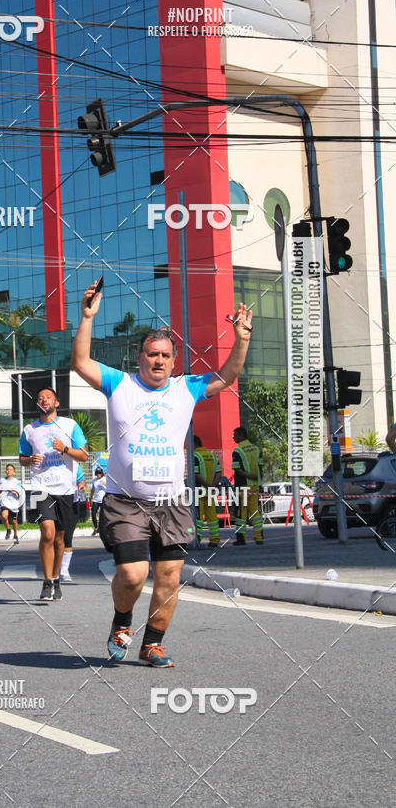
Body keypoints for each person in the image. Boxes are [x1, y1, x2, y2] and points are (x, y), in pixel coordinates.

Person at [71, 280, 252, 666]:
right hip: (125, 502)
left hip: (171, 502)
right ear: (140, 357)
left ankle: (152, 642)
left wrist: (242, 340)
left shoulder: (187, 388)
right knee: (134, 575)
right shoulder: (119, 384)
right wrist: (87, 317)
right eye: (152, 354)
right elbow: (81, 363)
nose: (159, 361)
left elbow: (228, 375)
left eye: (166, 356)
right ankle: (122, 621)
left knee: (169, 576)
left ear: (174, 360)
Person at [19, 387, 87, 601]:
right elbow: (22, 457)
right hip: (41, 487)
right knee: (47, 532)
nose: (44, 400)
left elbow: (84, 455)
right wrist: (30, 461)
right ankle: (47, 581)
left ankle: (56, 578)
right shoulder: (30, 429)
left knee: (60, 538)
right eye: (40, 398)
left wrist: (65, 449)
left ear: (56, 403)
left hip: (65, 489)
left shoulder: (70, 425)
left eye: (48, 397)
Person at [232, 427, 264, 546]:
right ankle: (259, 537)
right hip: (255, 486)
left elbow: (237, 469)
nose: (233, 437)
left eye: (235, 435)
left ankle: (241, 539)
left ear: (241, 436)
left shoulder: (238, 451)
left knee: (241, 513)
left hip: (243, 486)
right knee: (255, 512)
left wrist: (249, 476)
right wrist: (259, 482)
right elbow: (260, 468)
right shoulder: (256, 449)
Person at [193, 436, 222, 548]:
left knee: (198, 517)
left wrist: (205, 484)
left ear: (194, 444)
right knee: (212, 517)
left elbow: (195, 474)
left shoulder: (195, 456)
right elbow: (219, 472)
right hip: (210, 492)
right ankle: (214, 540)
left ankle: (198, 539)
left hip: (199, 492)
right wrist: (213, 485)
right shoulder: (213, 456)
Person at [60, 466, 86, 583]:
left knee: (67, 538)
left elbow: (81, 479)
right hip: (56, 503)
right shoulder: (52, 462)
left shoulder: (75, 465)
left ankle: (64, 571)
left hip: (72, 504)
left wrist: (82, 485)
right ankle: (53, 569)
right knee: (55, 538)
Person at [0, 463, 23, 545]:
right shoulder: (2, 480)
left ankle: (15, 535)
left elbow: (19, 493)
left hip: (14, 503)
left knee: (14, 521)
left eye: (10, 470)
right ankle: (8, 529)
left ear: (13, 472)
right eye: (7, 469)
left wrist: (12, 489)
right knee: (4, 516)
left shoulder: (17, 482)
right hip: (5, 502)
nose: (9, 471)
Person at [90, 466, 106, 535]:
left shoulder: (105, 479)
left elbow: (109, 488)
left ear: (102, 473)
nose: (98, 474)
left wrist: (104, 484)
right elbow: (93, 489)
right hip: (96, 499)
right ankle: (96, 528)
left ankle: (101, 528)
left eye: (99, 473)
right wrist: (91, 497)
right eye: (97, 473)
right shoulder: (94, 480)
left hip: (103, 499)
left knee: (102, 515)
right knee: (93, 513)